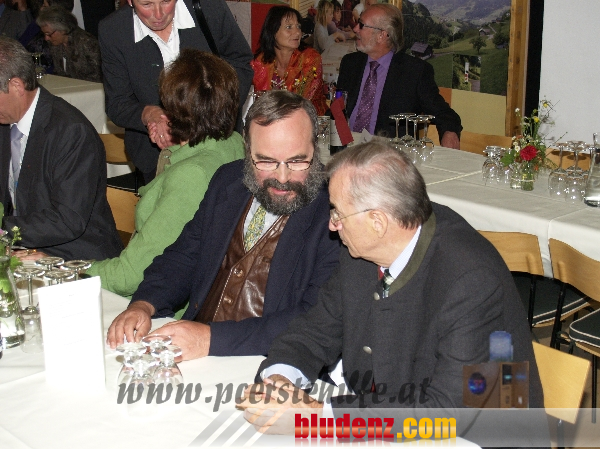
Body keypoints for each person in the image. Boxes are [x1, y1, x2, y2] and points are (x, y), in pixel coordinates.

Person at [239, 141, 543, 423]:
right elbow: (314, 331)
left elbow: (449, 408)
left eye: (338, 213)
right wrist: (280, 380)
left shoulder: (470, 280)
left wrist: (320, 414)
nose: (332, 225)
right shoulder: (362, 250)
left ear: (378, 222)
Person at [106, 90, 341, 359]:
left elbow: (315, 318)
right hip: (195, 353)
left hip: (268, 363)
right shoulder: (228, 181)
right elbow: (184, 257)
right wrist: (144, 304)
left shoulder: (334, 214)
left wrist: (210, 339)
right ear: (247, 151)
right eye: (266, 161)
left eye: (298, 161)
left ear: (315, 150)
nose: (283, 176)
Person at [86, 50, 245, 297]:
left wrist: (67, 269)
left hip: (158, 302)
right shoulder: (233, 143)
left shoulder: (190, 176)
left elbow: (128, 277)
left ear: (172, 109)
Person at [98, 0, 253, 185]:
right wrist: (149, 114)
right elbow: (117, 103)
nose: (158, 14)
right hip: (155, 157)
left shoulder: (209, 8)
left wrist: (212, 112)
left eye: (166, 1)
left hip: (218, 148)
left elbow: (241, 65)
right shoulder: (114, 30)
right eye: (146, 4)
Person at [0, 37, 122, 260]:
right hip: (21, 248)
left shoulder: (70, 131)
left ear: (16, 86)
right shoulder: (5, 123)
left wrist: (3, 230)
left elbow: (68, 220)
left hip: (71, 255)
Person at [337, 4, 462, 148]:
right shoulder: (350, 63)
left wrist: (450, 133)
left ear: (382, 35)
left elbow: (444, 114)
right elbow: (338, 108)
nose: (355, 29)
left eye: (361, 25)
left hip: (387, 153)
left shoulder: (415, 72)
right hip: (345, 149)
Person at [251, 6, 328, 116]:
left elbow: (301, 101)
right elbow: (256, 101)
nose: (297, 32)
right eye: (289, 27)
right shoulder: (260, 62)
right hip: (269, 120)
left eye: (298, 26)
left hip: (308, 120)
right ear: (273, 31)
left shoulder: (310, 58)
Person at [37, 6, 102, 82]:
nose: (46, 38)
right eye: (44, 34)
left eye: (49, 34)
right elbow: (58, 73)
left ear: (62, 29)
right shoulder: (55, 44)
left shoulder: (87, 42)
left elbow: (98, 75)